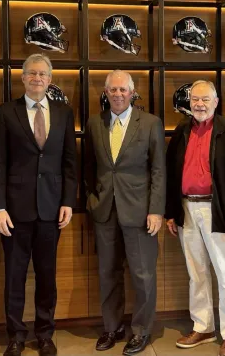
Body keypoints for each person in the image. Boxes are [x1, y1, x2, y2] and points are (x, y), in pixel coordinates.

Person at [0, 54, 77, 356]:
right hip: (13, 212)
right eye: (32, 73)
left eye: (43, 74)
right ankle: (15, 335)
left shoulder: (64, 112)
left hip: (52, 210)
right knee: (14, 277)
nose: (37, 78)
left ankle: (44, 333)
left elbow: (69, 162)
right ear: (22, 78)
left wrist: (68, 201)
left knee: (46, 276)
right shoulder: (6, 112)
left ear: (50, 80)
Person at [165, 80, 225, 356]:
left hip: (219, 211)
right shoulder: (182, 130)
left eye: (205, 99)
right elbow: (171, 173)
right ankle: (203, 326)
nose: (199, 105)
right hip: (187, 209)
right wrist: (171, 212)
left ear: (216, 102)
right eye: (195, 100)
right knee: (196, 272)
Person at [84, 70, 165, 355]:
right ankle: (112, 327)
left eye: (123, 90)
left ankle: (141, 330)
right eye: (112, 90)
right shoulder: (95, 123)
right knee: (108, 273)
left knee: (143, 275)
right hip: (105, 211)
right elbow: (88, 167)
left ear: (132, 93)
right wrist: (92, 201)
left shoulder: (150, 123)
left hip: (141, 213)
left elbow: (158, 170)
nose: (118, 94)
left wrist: (156, 210)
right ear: (105, 93)